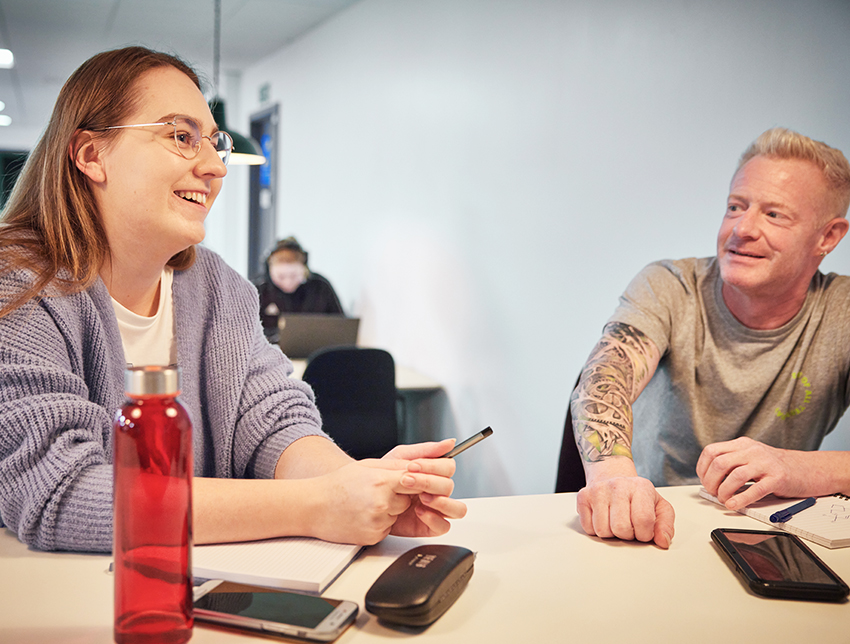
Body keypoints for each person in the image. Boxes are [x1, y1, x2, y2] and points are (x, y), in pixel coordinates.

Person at [0, 46, 466, 554]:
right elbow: (61, 493)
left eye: (213, 144)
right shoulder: (18, 287)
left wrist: (361, 489)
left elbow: (274, 422)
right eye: (182, 137)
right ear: (91, 154)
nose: (215, 168)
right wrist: (319, 505)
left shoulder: (217, 286)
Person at [570, 127, 850, 549]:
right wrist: (613, 477)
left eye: (774, 215)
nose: (742, 229)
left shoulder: (841, 312)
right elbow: (605, 377)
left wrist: (796, 468)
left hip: (770, 537)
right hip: (649, 521)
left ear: (827, 237)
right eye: (736, 207)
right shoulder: (669, 284)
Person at [256, 237, 344, 338]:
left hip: (314, 351)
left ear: (304, 270)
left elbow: (341, 325)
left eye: (294, 276)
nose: (288, 282)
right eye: (281, 276)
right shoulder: (259, 290)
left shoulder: (320, 287)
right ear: (269, 272)